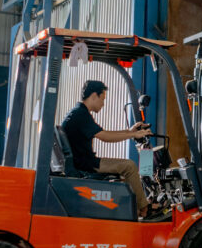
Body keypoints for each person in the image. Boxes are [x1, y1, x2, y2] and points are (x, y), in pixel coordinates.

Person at [61, 80, 152, 219]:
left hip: (83, 161)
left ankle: (132, 208)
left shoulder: (78, 112)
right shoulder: (81, 115)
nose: (103, 104)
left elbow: (104, 132)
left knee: (126, 169)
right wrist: (133, 134)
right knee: (130, 166)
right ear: (93, 96)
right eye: (102, 99)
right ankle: (145, 208)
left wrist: (129, 131)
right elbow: (105, 136)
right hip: (86, 164)